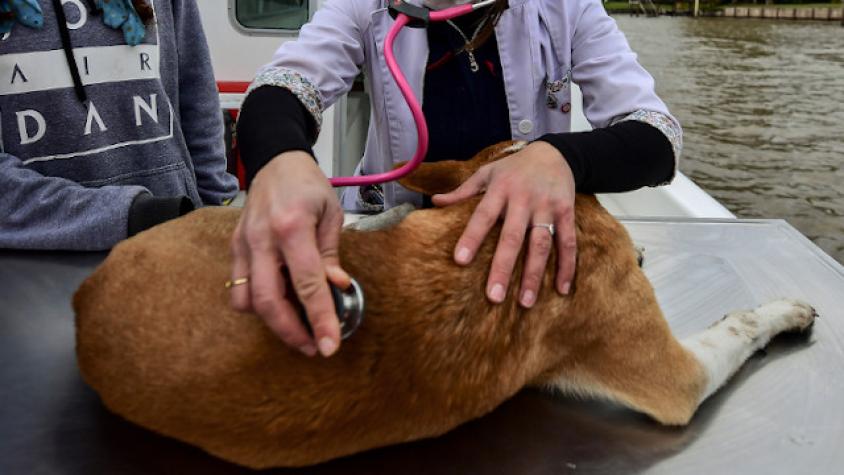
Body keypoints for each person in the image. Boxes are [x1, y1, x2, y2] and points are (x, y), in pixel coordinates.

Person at [231, 0, 682, 358]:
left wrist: (561, 157)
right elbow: (284, 85)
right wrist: (282, 159)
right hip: (397, 243)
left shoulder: (567, 8)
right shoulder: (364, 6)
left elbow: (657, 139)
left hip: (520, 250)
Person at [0, 0, 238, 250]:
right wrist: (132, 214)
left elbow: (196, 92)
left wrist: (213, 212)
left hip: (176, 245)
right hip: (34, 265)